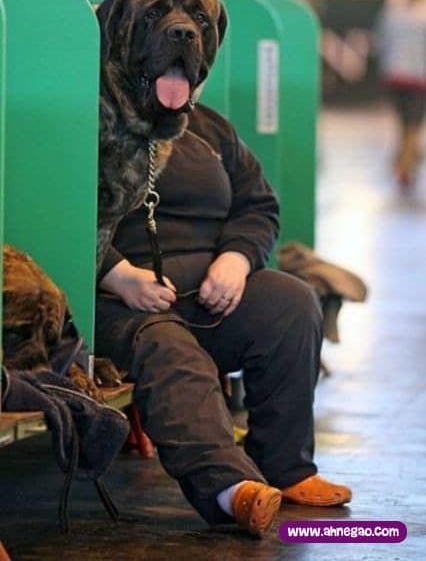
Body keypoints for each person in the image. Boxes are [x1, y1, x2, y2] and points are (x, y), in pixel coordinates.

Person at [95, 102, 352, 536]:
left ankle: (286, 469)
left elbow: (258, 206)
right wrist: (116, 274)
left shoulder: (210, 128)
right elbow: (56, 212)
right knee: (169, 348)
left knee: (292, 303)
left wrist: (237, 258)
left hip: (210, 290)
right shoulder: (93, 121)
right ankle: (230, 490)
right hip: (118, 300)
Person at [375, 0, 426, 186]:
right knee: (413, 125)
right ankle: (405, 165)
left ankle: (406, 157)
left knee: (404, 122)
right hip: (417, 78)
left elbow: (381, 41)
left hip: (394, 76)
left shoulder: (393, 13)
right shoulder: (423, 15)